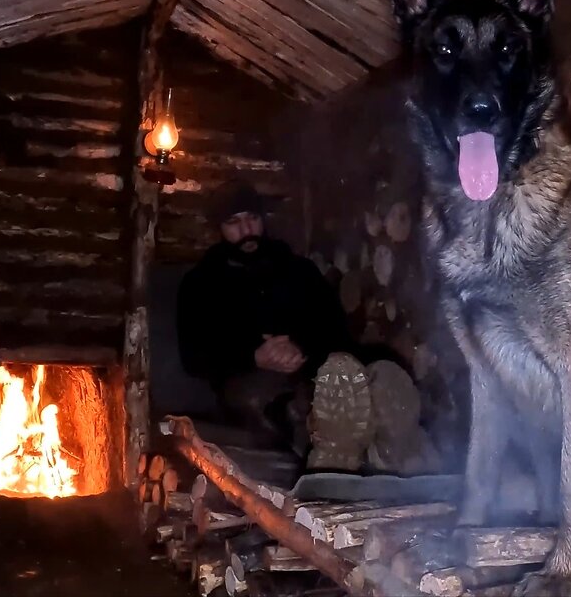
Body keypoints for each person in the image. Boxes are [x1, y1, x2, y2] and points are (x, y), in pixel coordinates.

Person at [176, 180, 441, 474]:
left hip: (317, 364)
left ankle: (398, 442)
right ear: (220, 229)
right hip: (248, 378)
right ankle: (334, 452)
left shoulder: (297, 270)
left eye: (252, 219)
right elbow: (194, 354)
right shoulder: (201, 284)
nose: (246, 231)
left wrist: (300, 345)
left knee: (372, 368)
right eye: (234, 223)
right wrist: (253, 354)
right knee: (286, 404)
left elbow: (332, 324)